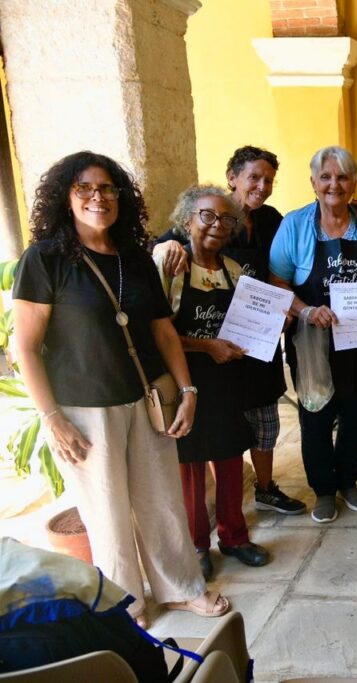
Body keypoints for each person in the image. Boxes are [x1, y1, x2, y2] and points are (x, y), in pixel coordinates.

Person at [12, 151, 229, 626]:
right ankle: (126, 602)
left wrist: (188, 391)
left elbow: (163, 330)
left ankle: (181, 588)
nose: (98, 197)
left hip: (147, 398)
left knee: (162, 502)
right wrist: (52, 418)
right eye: (85, 188)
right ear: (65, 196)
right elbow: (24, 347)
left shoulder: (135, 257)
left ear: (121, 196)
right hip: (84, 410)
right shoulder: (45, 259)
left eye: (107, 188)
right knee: (106, 513)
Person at [154, 146, 305, 516]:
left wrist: (280, 313)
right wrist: (166, 244)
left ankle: (265, 489)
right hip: (208, 355)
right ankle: (211, 518)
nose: (262, 186)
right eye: (254, 177)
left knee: (263, 421)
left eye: (269, 180)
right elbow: (167, 243)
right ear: (232, 177)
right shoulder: (204, 218)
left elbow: (281, 266)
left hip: (256, 335)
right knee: (218, 433)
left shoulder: (271, 219)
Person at [269, 146, 357, 524]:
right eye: (325, 177)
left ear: (354, 182)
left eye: (342, 177)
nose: (334, 185)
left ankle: (348, 482)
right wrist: (306, 310)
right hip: (312, 342)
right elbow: (277, 281)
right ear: (313, 182)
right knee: (316, 417)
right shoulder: (294, 225)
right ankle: (324, 490)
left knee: (356, 415)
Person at [155, 185, 271, 580]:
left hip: (226, 380)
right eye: (207, 215)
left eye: (226, 219)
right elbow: (158, 331)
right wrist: (208, 346)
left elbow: (244, 324)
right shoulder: (171, 265)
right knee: (190, 466)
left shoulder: (233, 271)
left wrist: (267, 327)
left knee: (230, 457)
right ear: (187, 220)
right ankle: (197, 545)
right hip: (185, 380)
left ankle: (234, 537)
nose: (217, 225)